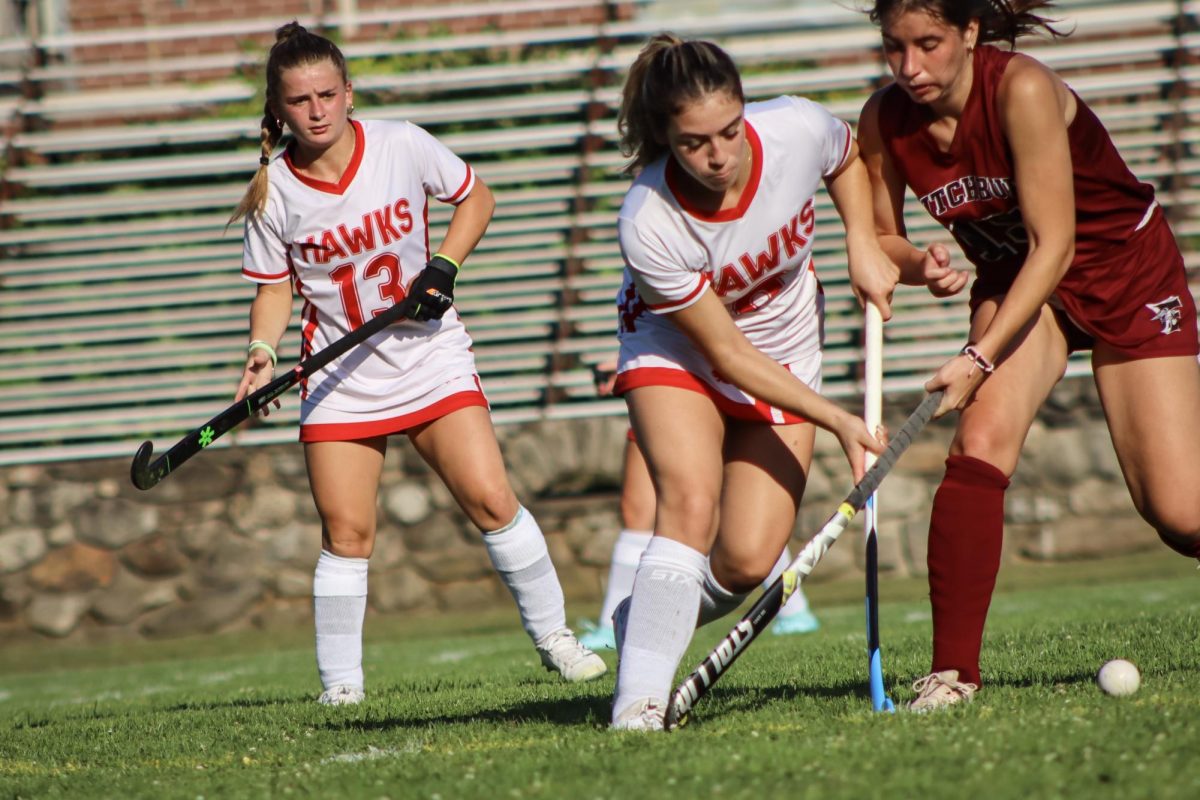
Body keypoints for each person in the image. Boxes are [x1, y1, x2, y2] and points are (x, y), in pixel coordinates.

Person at [230, 22, 605, 705]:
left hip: (429, 356)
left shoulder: (401, 143)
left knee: (492, 499)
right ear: (278, 109)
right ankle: (341, 690)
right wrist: (262, 354)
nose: (316, 111)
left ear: (349, 92)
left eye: (326, 94)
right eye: (299, 100)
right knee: (346, 532)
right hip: (341, 377)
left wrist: (443, 267)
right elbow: (275, 288)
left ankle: (557, 640)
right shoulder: (273, 190)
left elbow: (476, 197)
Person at [856, 0, 1200, 711]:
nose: (910, 67)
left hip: (1120, 271)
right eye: (895, 47)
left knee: (1180, 511)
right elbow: (884, 240)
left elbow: (1058, 246)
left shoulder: (1022, 90)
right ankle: (952, 675)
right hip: (1020, 284)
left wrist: (978, 357)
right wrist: (923, 264)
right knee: (977, 444)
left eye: (929, 44)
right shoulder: (884, 119)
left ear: (970, 33)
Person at [608, 33, 893, 731]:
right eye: (695, 142)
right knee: (689, 500)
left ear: (745, 109)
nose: (719, 156)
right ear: (664, 138)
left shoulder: (794, 128)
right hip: (678, 350)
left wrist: (862, 237)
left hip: (788, 347)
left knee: (747, 558)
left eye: (730, 131)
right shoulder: (649, 219)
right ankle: (639, 700)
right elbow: (728, 355)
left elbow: (846, 155)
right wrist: (839, 420)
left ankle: (643, 615)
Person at [578, 361, 820, 651]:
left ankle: (794, 609)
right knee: (639, 509)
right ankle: (613, 623)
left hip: (703, 373)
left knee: (739, 506)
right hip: (667, 371)